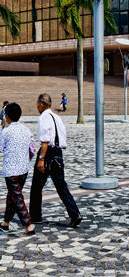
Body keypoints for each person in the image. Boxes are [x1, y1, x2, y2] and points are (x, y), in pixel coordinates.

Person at [30, 93, 81, 227]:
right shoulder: (57, 117)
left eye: (37, 103)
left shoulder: (43, 117)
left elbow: (45, 140)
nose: (36, 106)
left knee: (36, 187)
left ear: (42, 104)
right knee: (61, 186)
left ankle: (35, 216)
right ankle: (74, 213)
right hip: (58, 153)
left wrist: (41, 158)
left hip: (47, 153)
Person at [0, 102, 36, 235]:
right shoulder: (26, 130)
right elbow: (32, 150)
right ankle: (6, 223)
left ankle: (28, 225)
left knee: (17, 197)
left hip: (11, 171)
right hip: (24, 169)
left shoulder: (6, 131)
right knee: (13, 195)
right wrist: (26, 160)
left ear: (7, 116)